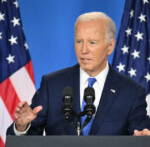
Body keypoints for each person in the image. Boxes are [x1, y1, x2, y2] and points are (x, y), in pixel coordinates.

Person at [7, 12, 150, 136]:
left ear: (110, 46)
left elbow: (140, 135)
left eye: (92, 42)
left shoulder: (131, 92)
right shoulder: (52, 85)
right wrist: (21, 127)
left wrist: (144, 139)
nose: (84, 50)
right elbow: (27, 139)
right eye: (79, 41)